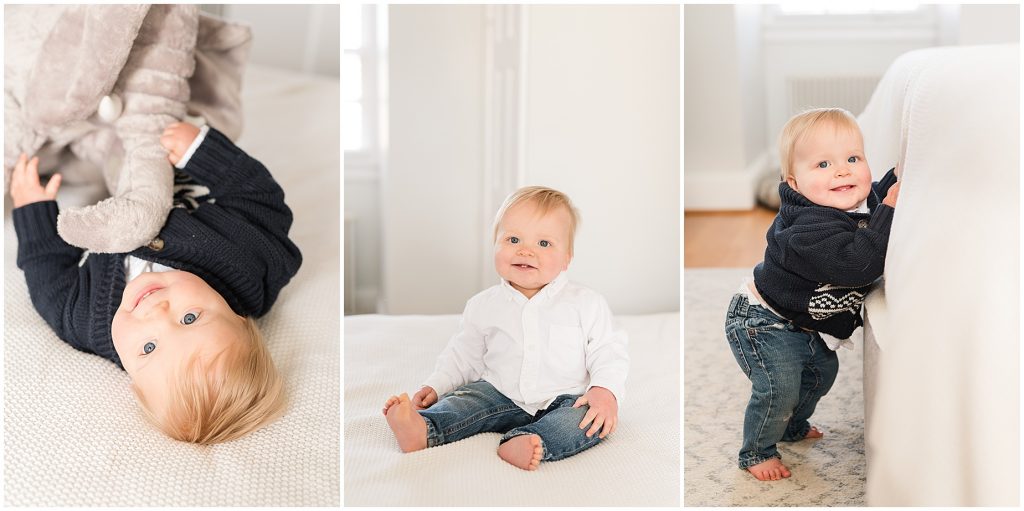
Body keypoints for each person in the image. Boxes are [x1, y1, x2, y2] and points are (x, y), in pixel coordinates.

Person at [9, 121, 302, 445]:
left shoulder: (86, 321)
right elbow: (260, 201)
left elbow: (47, 275)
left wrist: (33, 210)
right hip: (170, 146)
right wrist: (202, 151)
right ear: (240, 318)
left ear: (132, 378)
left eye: (148, 348)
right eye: (189, 318)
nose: (157, 313)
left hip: (116, 172)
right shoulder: (247, 261)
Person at [382, 186, 629, 470]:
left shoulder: (586, 303)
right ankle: (425, 429)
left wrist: (604, 390)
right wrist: (437, 385)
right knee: (465, 399)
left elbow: (609, 351)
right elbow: (464, 355)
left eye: (544, 244)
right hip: (500, 391)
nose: (526, 251)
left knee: (590, 419)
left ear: (567, 257)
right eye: (513, 239)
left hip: (565, 398)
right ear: (495, 244)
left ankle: (531, 440)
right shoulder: (483, 305)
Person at [725, 107, 899, 481]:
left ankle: (792, 426)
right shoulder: (805, 228)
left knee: (822, 373)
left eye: (853, 159)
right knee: (779, 387)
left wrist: (897, 179)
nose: (842, 170)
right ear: (795, 182)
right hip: (763, 321)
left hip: (805, 324)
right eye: (823, 165)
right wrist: (889, 209)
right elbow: (858, 265)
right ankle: (757, 450)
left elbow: (875, 199)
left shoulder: (847, 201)